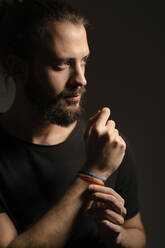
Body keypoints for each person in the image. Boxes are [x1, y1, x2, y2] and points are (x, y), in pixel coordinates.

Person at [0, 0, 146, 247]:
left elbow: (137, 233)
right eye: (62, 64)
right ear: (18, 67)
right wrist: (94, 174)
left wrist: (118, 236)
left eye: (84, 60)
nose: (81, 79)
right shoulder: (102, 157)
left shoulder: (107, 145)